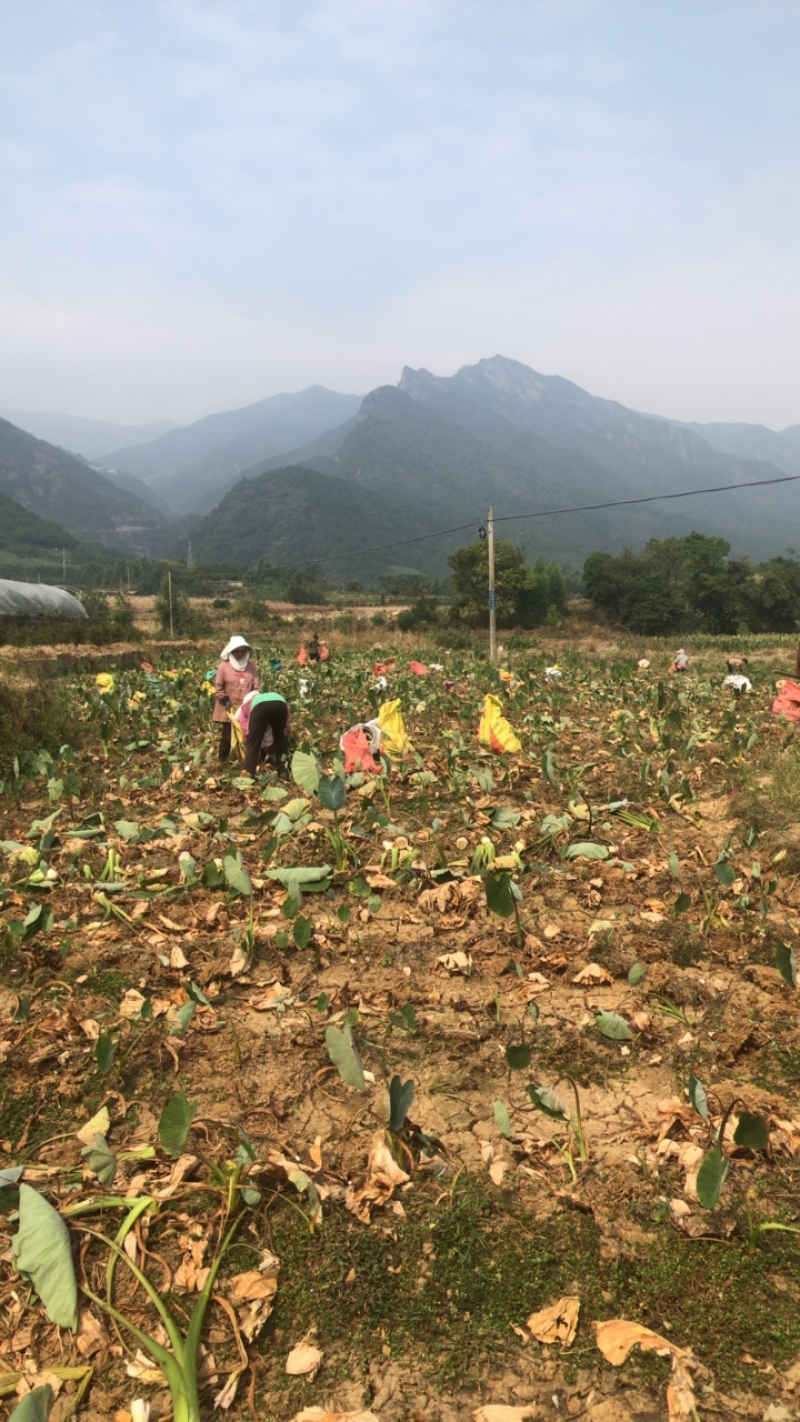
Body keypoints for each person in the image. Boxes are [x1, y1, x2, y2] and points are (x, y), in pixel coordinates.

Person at [213, 636, 259, 763]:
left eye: (242, 651)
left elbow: (256, 687)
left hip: (245, 707)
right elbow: (218, 687)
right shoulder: (223, 667)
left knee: (245, 735)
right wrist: (225, 700)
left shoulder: (250, 667)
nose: (239, 654)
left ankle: (243, 760)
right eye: (236, 651)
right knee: (227, 736)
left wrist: (252, 701)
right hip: (228, 706)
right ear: (231, 652)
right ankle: (223, 762)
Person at [241, 688, 290, 776]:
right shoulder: (267, 696)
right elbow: (287, 721)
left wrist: (247, 738)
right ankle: (283, 771)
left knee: (254, 743)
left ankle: (249, 774)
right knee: (280, 738)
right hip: (280, 702)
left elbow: (247, 729)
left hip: (260, 707)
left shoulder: (245, 707)